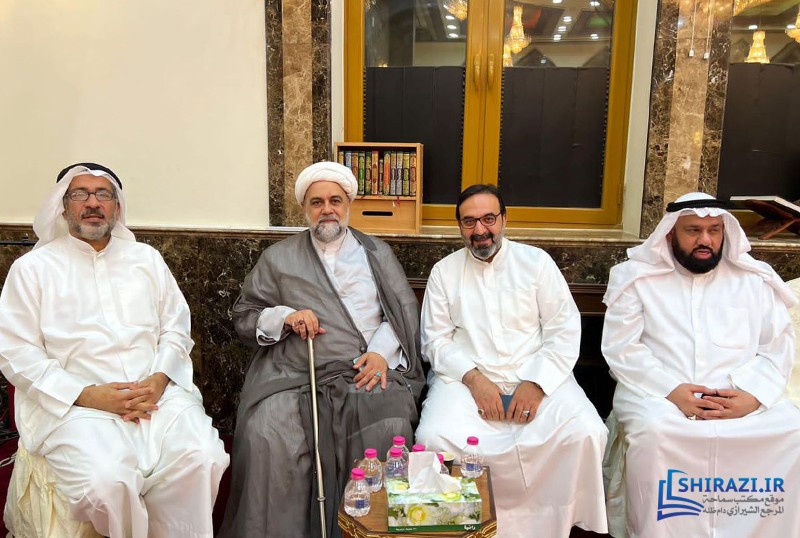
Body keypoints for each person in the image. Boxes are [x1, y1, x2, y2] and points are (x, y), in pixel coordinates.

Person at [0, 163, 229, 538]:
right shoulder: (33, 269)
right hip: (76, 406)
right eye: (80, 194)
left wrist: (159, 380)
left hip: (155, 398)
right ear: (63, 207)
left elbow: (176, 326)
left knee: (205, 458)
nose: (92, 203)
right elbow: (16, 352)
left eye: (103, 194)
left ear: (117, 207)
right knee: (108, 482)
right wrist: (88, 395)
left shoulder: (146, 259)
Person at [219, 161, 425, 538]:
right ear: (305, 208)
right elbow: (245, 315)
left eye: (335, 200)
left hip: (363, 368)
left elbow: (403, 312)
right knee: (267, 431)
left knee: (390, 424)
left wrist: (381, 353)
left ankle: (367, 531)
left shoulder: (376, 253)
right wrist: (286, 317)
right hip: (294, 372)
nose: (327, 209)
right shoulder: (278, 258)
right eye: (317, 202)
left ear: (348, 204)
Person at [602, 192, 800, 537]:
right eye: (693, 230)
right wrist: (672, 391)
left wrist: (752, 396)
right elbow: (621, 348)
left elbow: (777, 346)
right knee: (654, 433)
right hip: (658, 394)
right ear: (670, 234)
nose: (705, 240)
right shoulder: (636, 278)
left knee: (790, 430)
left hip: (738, 394)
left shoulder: (754, 279)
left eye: (714, 230)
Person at [414, 184, 609, 537]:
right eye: (469, 221)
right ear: (459, 226)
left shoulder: (537, 263)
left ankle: (562, 525)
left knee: (586, 432)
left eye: (489, 218)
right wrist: (476, 381)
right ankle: (456, 527)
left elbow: (563, 330)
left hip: (538, 375)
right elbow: (435, 341)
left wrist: (536, 384)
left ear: (504, 219)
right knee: (433, 437)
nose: (480, 230)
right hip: (465, 380)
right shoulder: (445, 271)